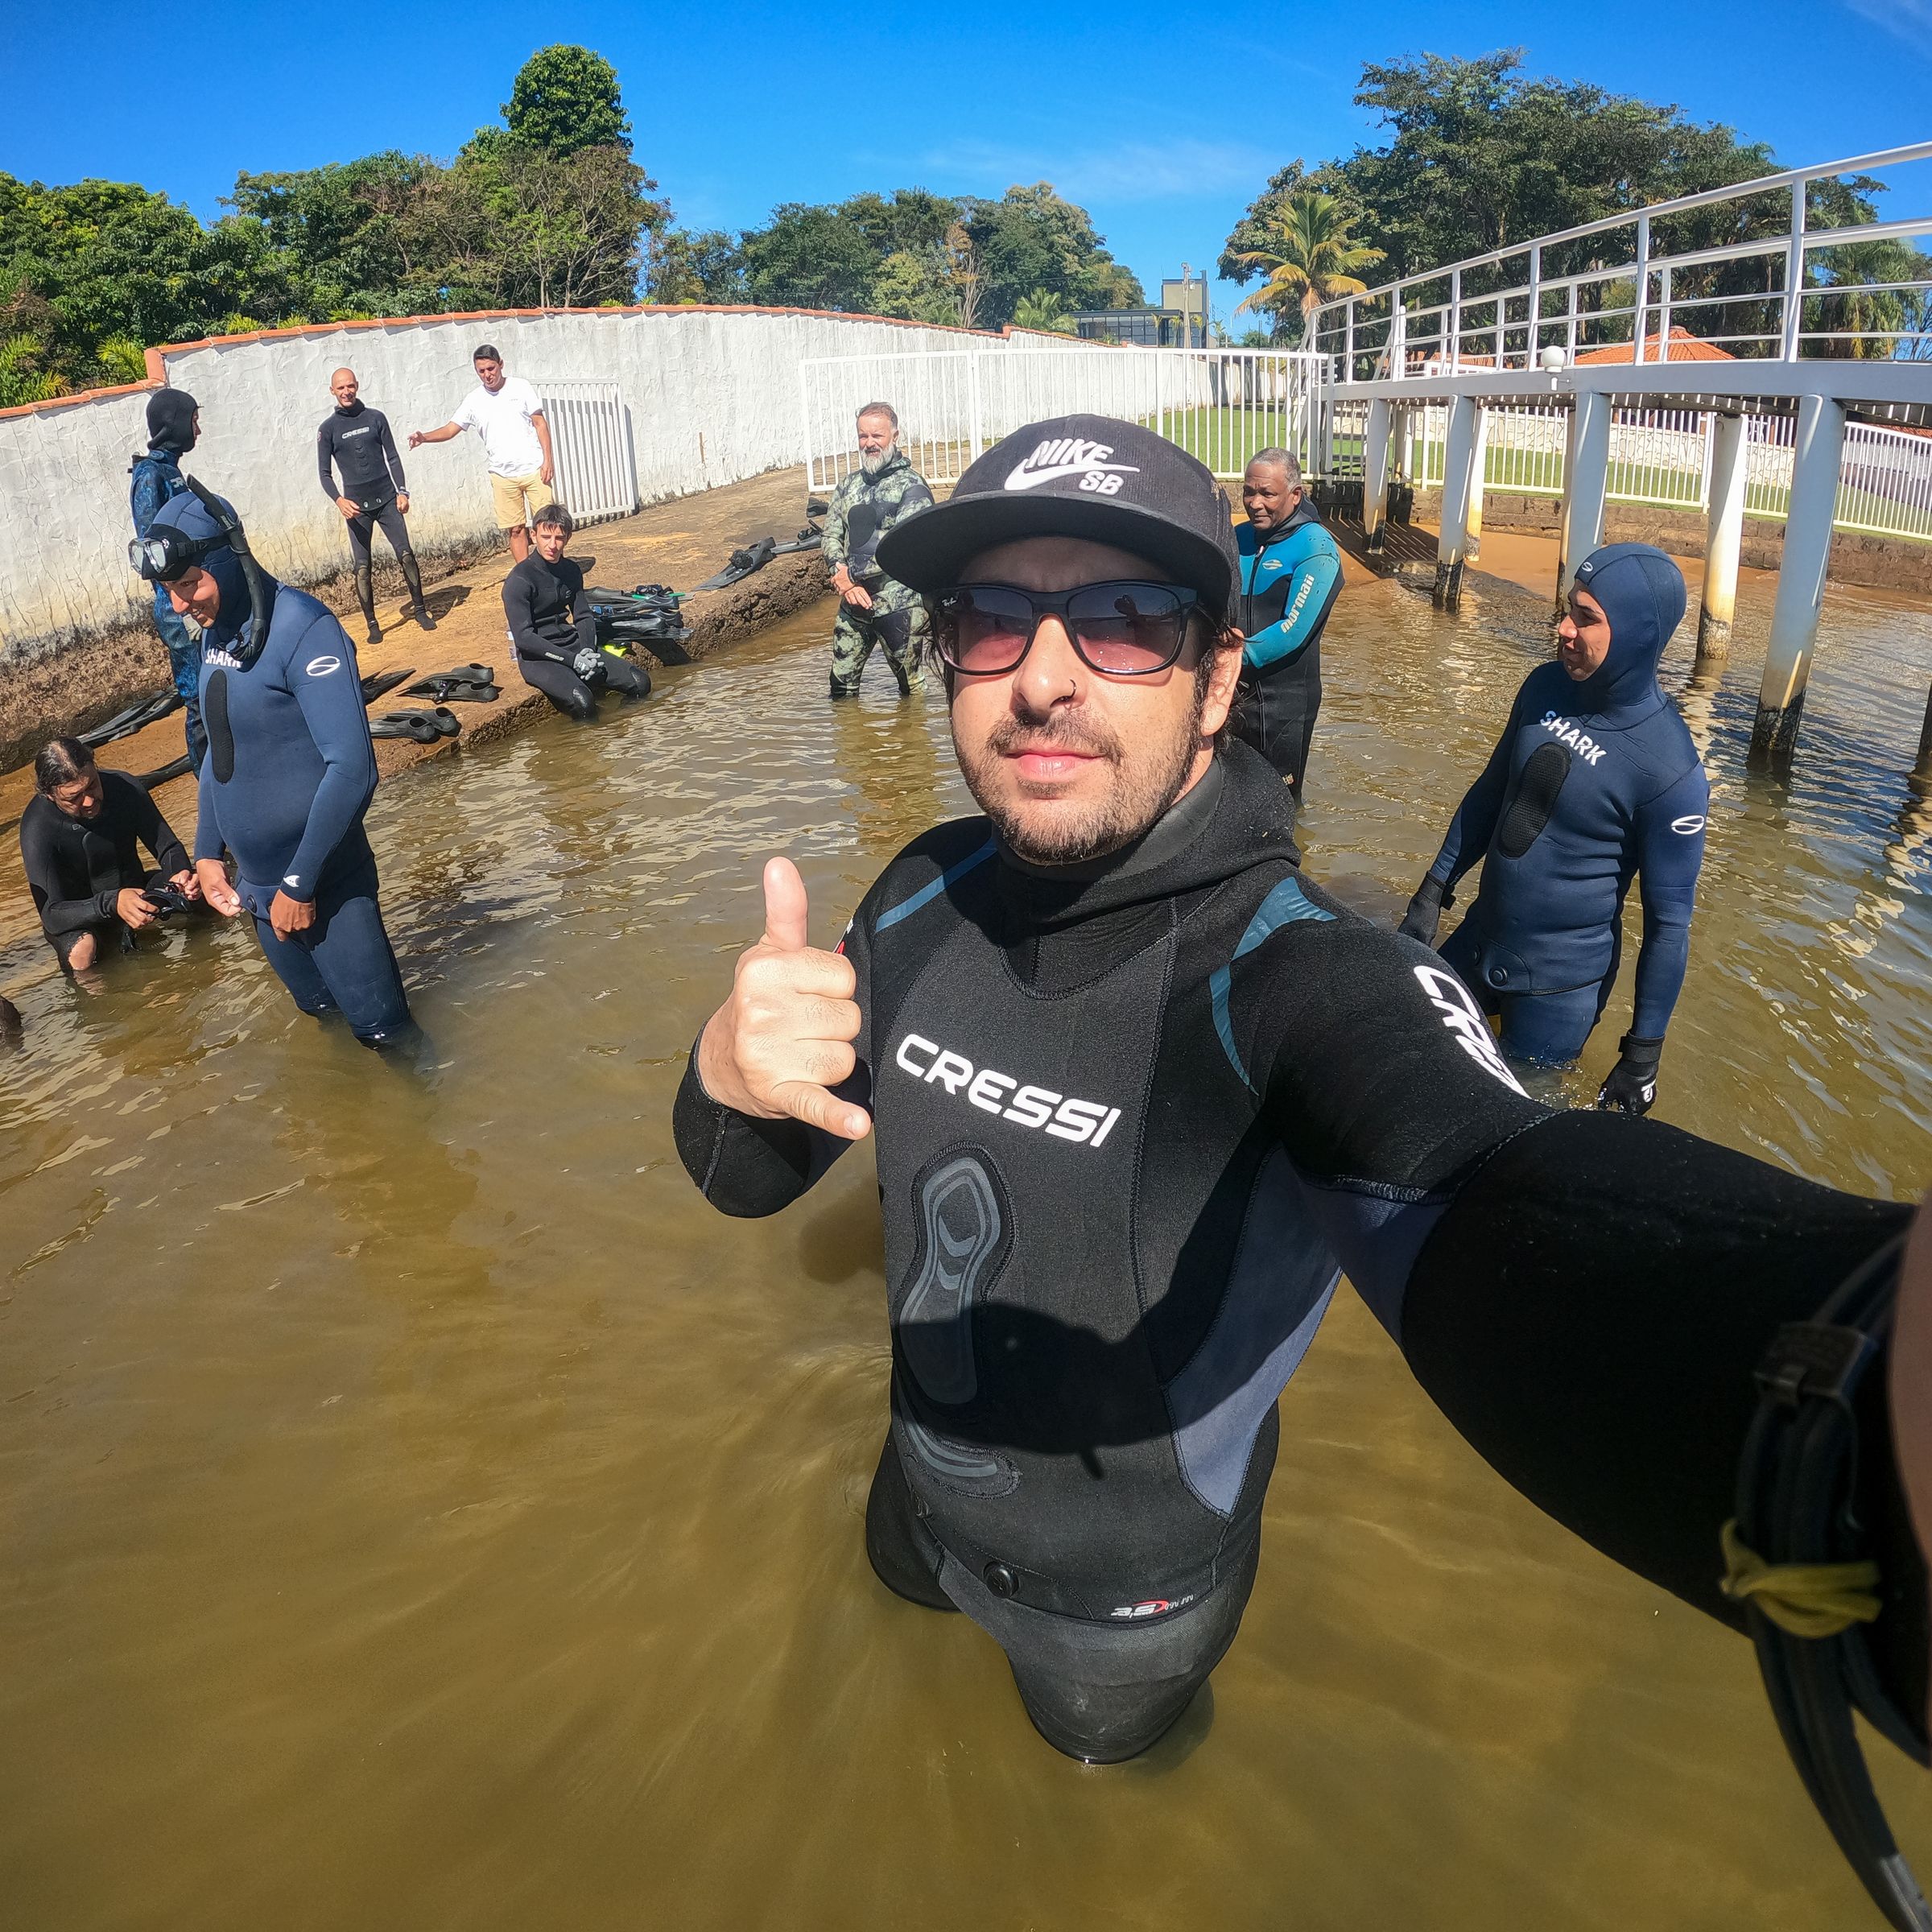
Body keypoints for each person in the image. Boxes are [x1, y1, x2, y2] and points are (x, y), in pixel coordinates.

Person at [669, 413, 1926, 1858]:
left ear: (1219, 680)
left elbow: (1510, 1200)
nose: (1047, 681)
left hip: (1121, 1607)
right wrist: (726, 1066)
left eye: (1128, 624)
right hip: (919, 1496)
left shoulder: (1296, 978)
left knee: (1092, 1833)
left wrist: (1862, 1410)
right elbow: (746, 1180)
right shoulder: (917, 891)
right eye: (996, 622)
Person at [1398, 543, 1708, 1112]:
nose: (1563, 628)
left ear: (1640, 633)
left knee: (1510, 1128)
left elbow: (1669, 926)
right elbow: (1491, 792)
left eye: (1586, 618)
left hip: (1559, 989)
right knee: (1407, 1065)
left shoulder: (1670, 770)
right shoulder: (1544, 688)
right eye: (1568, 609)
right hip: (1478, 939)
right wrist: (1431, 893)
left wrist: (1643, 1054)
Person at [133, 484, 418, 1053]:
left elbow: (354, 769)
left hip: (325, 886)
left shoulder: (303, 629)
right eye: (170, 590)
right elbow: (220, 749)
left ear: (227, 561)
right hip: (260, 893)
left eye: (189, 585)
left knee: (389, 1042)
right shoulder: (217, 632)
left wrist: (300, 880)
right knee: (323, 1026)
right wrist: (209, 853)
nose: (180, 604)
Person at [19, 737, 200, 972]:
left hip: (137, 891)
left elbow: (168, 848)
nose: (89, 800)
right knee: (81, 952)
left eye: (92, 785)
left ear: (95, 768)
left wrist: (181, 875)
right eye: (73, 797)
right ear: (50, 795)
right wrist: (112, 903)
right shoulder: (38, 825)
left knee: (204, 886)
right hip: (81, 915)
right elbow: (52, 915)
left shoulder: (124, 787)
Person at [1232, 447, 1340, 799]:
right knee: (1228, 799)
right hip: (1231, 695)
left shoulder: (1314, 547)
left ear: (1295, 496)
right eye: (1249, 491)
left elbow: (1292, 631)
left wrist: (1226, 659)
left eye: (1267, 494)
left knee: (1279, 808)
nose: (1254, 502)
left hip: (1284, 705)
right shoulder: (1238, 537)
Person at [823, 402, 933, 700]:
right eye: (863, 436)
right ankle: (850, 747)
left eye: (877, 436)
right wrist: (841, 576)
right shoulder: (848, 486)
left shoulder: (912, 486)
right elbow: (831, 534)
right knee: (840, 688)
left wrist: (858, 578)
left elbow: (912, 545)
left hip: (898, 603)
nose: (869, 443)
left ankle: (914, 747)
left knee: (911, 690)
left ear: (894, 436)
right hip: (853, 601)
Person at [317, 366, 436, 645]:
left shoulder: (375, 418)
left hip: (387, 500)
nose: (347, 392)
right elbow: (324, 474)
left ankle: (420, 610)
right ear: (332, 391)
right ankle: (372, 623)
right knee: (362, 567)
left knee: (405, 554)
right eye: (341, 388)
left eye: (350, 386)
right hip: (356, 508)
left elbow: (392, 456)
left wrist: (402, 491)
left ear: (357, 386)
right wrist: (339, 501)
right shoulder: (328, 430)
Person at [502, 502, 651, 720]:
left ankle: (620, 732)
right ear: (533, 536)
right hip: (538, 657)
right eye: (546, 537)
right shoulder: (519, 580)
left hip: (574, 646)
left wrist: (588, 651)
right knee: (584, 702)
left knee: (640, 682)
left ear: (568, 538)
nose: (552, 545)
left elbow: (582, 616)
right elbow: (524, 638)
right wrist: (572, 661)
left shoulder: (571, 570)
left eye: (559, 538)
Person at [408, 345, 554, 562]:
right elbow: (451, 429)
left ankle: (552, 573)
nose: (487, 375)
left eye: (491, 368)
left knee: (547, 527)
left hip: (533, 469)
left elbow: (540, 424)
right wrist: (424, 437)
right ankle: (526, 578)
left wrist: (548, 460)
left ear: (500, 364)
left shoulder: (521, 388)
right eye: (481, 371)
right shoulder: (474, 400)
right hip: (502, 475)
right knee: (515, 530)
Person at [128, 388, 208, 773]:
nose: (198, 428)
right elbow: (154, 551)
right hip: (179, 610)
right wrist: (185, 607)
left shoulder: (170, 471)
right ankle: (207, 785)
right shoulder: (150, 475)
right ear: (173, 424)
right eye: (193, 420)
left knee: (214, 692)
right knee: (199, 701)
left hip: (194, 602)